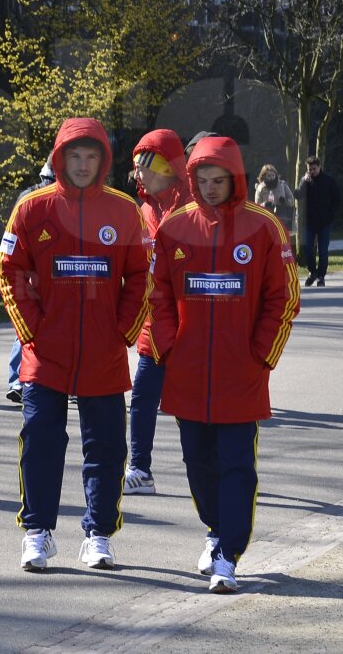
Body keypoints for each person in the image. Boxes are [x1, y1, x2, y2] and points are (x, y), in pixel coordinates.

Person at [0, 118, 151, 571]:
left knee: (106, 447)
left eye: (91, 157)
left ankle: (99, 534)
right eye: (74, 157)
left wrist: (123, 330)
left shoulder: (124, 211)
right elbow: (9, 269)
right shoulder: (32, 208)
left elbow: (142, 275)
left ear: (103, 161)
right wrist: (32, 329)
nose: (82, 165)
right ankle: (37, 532)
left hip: (103, 353)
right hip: (45, 353)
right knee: (41, 439)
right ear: (59, 159)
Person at [149, 136, 300, 593]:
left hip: (241, 375)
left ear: (236, 179)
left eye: (219, 180)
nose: (211, 188)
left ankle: (228, 555)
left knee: (237, 465)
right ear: (190, 179)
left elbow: (284, 298)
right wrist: (170, 349)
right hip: (187, 373)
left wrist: (261, 356)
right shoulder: (174, 229)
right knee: (198, 461)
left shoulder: (265, 228)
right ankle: (214, 530)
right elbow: (155, 296)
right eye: (202, 180)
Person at [123, 129, 192, 497]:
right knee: (142, 398)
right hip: (154, 326)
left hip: (191, 325)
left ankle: (206, 467)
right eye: (135, 167)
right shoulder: (145, 209)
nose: (138, 174)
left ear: (166, 168)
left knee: (192, 406)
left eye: (143, 167)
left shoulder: (194, 205)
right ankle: (140, 468)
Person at [5, 160, 57, 404]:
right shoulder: (39, 198)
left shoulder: (30, 195)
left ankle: (18, 379)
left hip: (38, 269)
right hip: (36, 270)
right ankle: (19, 378)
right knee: (29, 325)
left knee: (27, 324)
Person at [295, 155, 339, 287]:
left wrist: (330, 216)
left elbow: (337, 199)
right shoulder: (306, 181)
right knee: (307, 248)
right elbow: (298, 195)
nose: (312, 171)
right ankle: (312, 272)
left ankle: (321, 276)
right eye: (309, 169)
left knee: (323, 250)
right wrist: (303, 181)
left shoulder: (329, 181)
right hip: (309, 222)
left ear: (319, 167)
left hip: (324, 222)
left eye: (314, 169)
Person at [254, 164, 295, 237]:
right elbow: (256, 207)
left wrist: (285, 201)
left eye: (273, 175)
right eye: (269, 176)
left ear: (276, 175)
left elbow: (292, 200)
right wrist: (264, 204)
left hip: (282, 218)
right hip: (266, 219)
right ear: (264, 177)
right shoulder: (260, 188)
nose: (272, 178)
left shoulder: (282, 185)